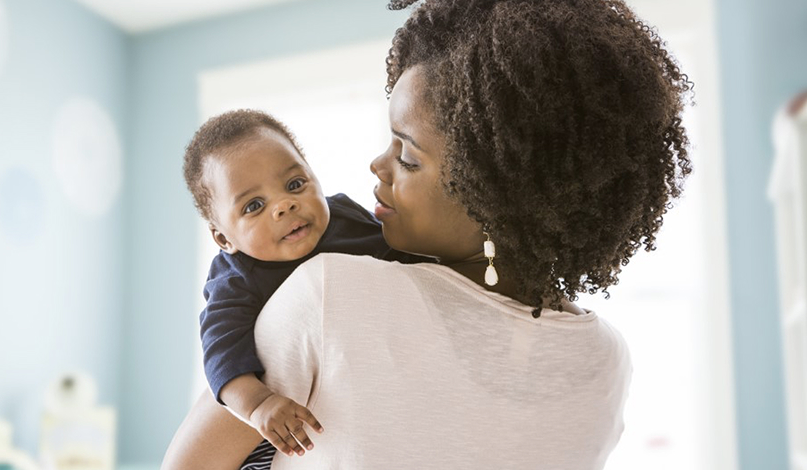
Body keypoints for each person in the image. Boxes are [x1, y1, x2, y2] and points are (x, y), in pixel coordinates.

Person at [163, 0, 693, 468]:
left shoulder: (331, 294)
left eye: (408, 156)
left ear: (495, 191)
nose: (378, 166)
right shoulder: (607, 360)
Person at [182, 109, 428, 467]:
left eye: (295, 184)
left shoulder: (345, 215)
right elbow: (221, 356)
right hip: (274, 428)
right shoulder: (236, 276)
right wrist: (259, 405)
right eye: (254, 206)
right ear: (224, 237)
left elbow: (402, 262)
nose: (284, 205)